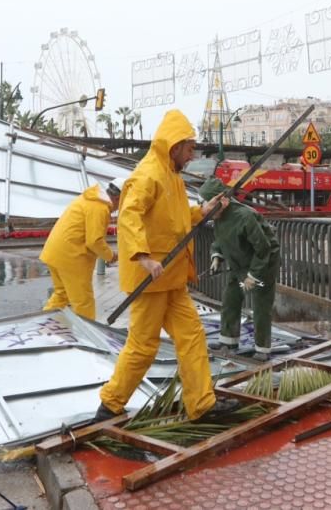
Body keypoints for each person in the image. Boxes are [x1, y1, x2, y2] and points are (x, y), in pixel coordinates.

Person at [95, 110, 232, 423]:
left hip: (171, 278)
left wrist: (205, 210)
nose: (192, 153)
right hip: (151, 279)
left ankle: (201, 404)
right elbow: (129, 216)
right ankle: (110, 405)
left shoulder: (172, 175)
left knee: (192, 335)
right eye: (189, 147)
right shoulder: (148, 175)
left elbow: (179, 220)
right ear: (174, 146)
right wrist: (143, 257)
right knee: (143, 346)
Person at [198, 176, 280, 362]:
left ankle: (262, 348)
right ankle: (228, 340)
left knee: (260, 306)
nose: (205, 209)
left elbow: (264, 248)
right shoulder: (219, 215)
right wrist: (216, 256)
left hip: (262, 263)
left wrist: (254, 275)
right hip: (238, 262)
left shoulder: (245, 216)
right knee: (230, 299)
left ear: (222, 201)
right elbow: (221, 239)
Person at [39, 177, 125, 319]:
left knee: (62, 295)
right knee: (83, 302)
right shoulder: (100, 207)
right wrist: (111, 256)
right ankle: (87, 337)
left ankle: (43, 327)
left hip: (55, 252)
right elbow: (94, 241)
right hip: (71, 257)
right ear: (118, 198)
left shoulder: (89, 199)